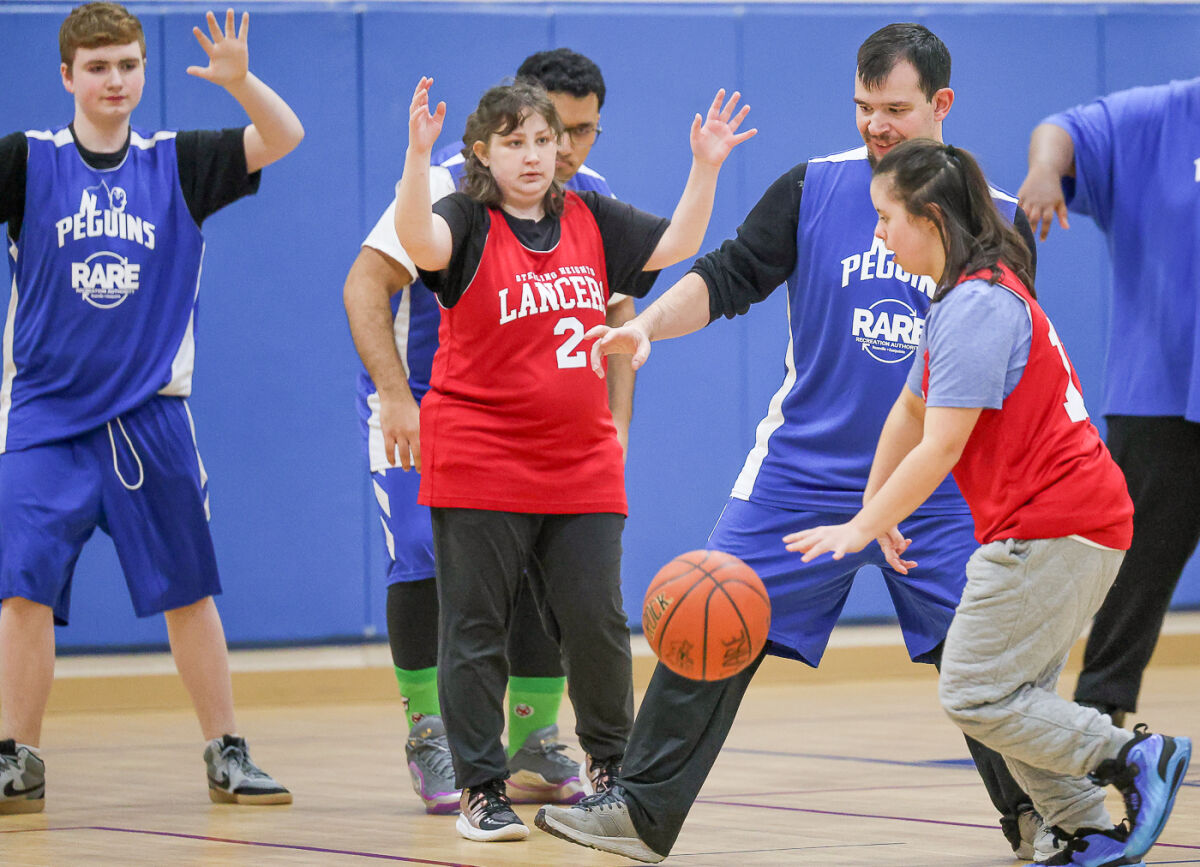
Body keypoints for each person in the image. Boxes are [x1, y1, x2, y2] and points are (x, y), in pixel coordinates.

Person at [535, 23, 1052, 864]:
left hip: (944, 481)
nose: (876, 125)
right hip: (803, 474)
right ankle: (638, 812)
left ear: (941, 105)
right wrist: (651, 327)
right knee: (708, 608)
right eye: (863, 107)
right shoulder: (813, 187)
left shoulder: (996, 219)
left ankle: (1039, 814)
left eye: (896, 109)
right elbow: (731, 273)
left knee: (987, 662)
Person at [787, 138, 1190, 867]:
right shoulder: (961, 294)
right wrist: (879, 505)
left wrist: (860, 526)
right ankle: (1079, 826)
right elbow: (908, 413)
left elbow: (939, 447)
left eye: (886, 218)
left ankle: (1135, 754)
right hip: (1066, 521)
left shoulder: (976, 305)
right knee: (1012, 695)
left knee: (975, 691)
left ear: (931, 218)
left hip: (1058, 523)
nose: (877, 233)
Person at [395, 76, 753, 842]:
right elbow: (418, 244)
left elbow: (678, 245)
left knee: (595, 618)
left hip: (579, 456)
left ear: (562, 147)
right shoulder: (463, 216)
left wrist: (707, 165)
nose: (531, 155)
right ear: (483, 154)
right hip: (481, 452)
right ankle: (481, 789)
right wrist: (415, 155)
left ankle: (613, 771)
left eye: (542, 139)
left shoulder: (590, 216)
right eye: (513, 141)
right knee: (477, 624)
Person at [0, 3, 303, 814]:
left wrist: (240, 83)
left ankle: (226, 748)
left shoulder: (180, 162)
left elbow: (284, 137)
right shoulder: (27, 161)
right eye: (97, 67)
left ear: (143, 70)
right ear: (67, 75)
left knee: (187, 590)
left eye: (128, 65)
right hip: (45, 418)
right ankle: (15, 754)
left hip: (150, 415)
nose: (115, 80)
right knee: (22, 587)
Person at [343, 48, 634, 814]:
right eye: (555, 130)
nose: (567, 150)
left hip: (546, 425)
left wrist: (617, 421)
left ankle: (534, 737)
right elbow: (365, 283)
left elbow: (617, 312)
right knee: (423, 563)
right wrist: (396, 395)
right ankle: (430, 730)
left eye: (585, 132)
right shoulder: (446, 186)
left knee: (554, 582)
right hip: (434, 405)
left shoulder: (586, 198)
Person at [1016, 77, 1200, 730]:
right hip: (1162, 400)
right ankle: (1100, 731)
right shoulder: (1161, 117)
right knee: (1130, 580)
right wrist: (1043, 171)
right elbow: (1062, 130)